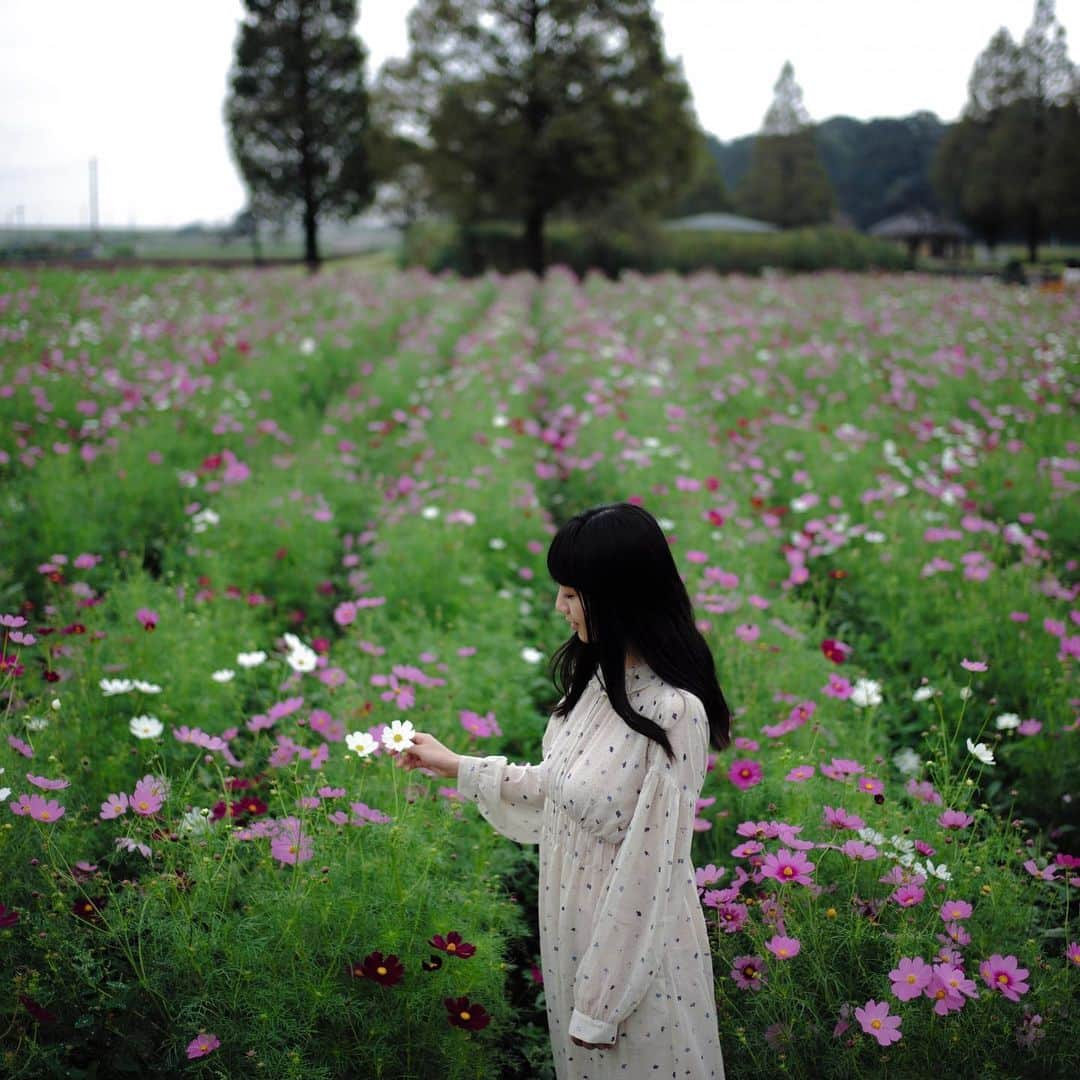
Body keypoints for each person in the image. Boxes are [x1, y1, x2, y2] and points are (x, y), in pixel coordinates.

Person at [399, 502, 730, 1079]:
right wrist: (458, 767)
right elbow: (564, 790)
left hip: (631, 956)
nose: (560, 607)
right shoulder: (598, 682)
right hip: (573, 928)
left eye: (573, 594)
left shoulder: (674, 712)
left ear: (621, 597)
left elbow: (648, 872)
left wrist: (602, 1004)